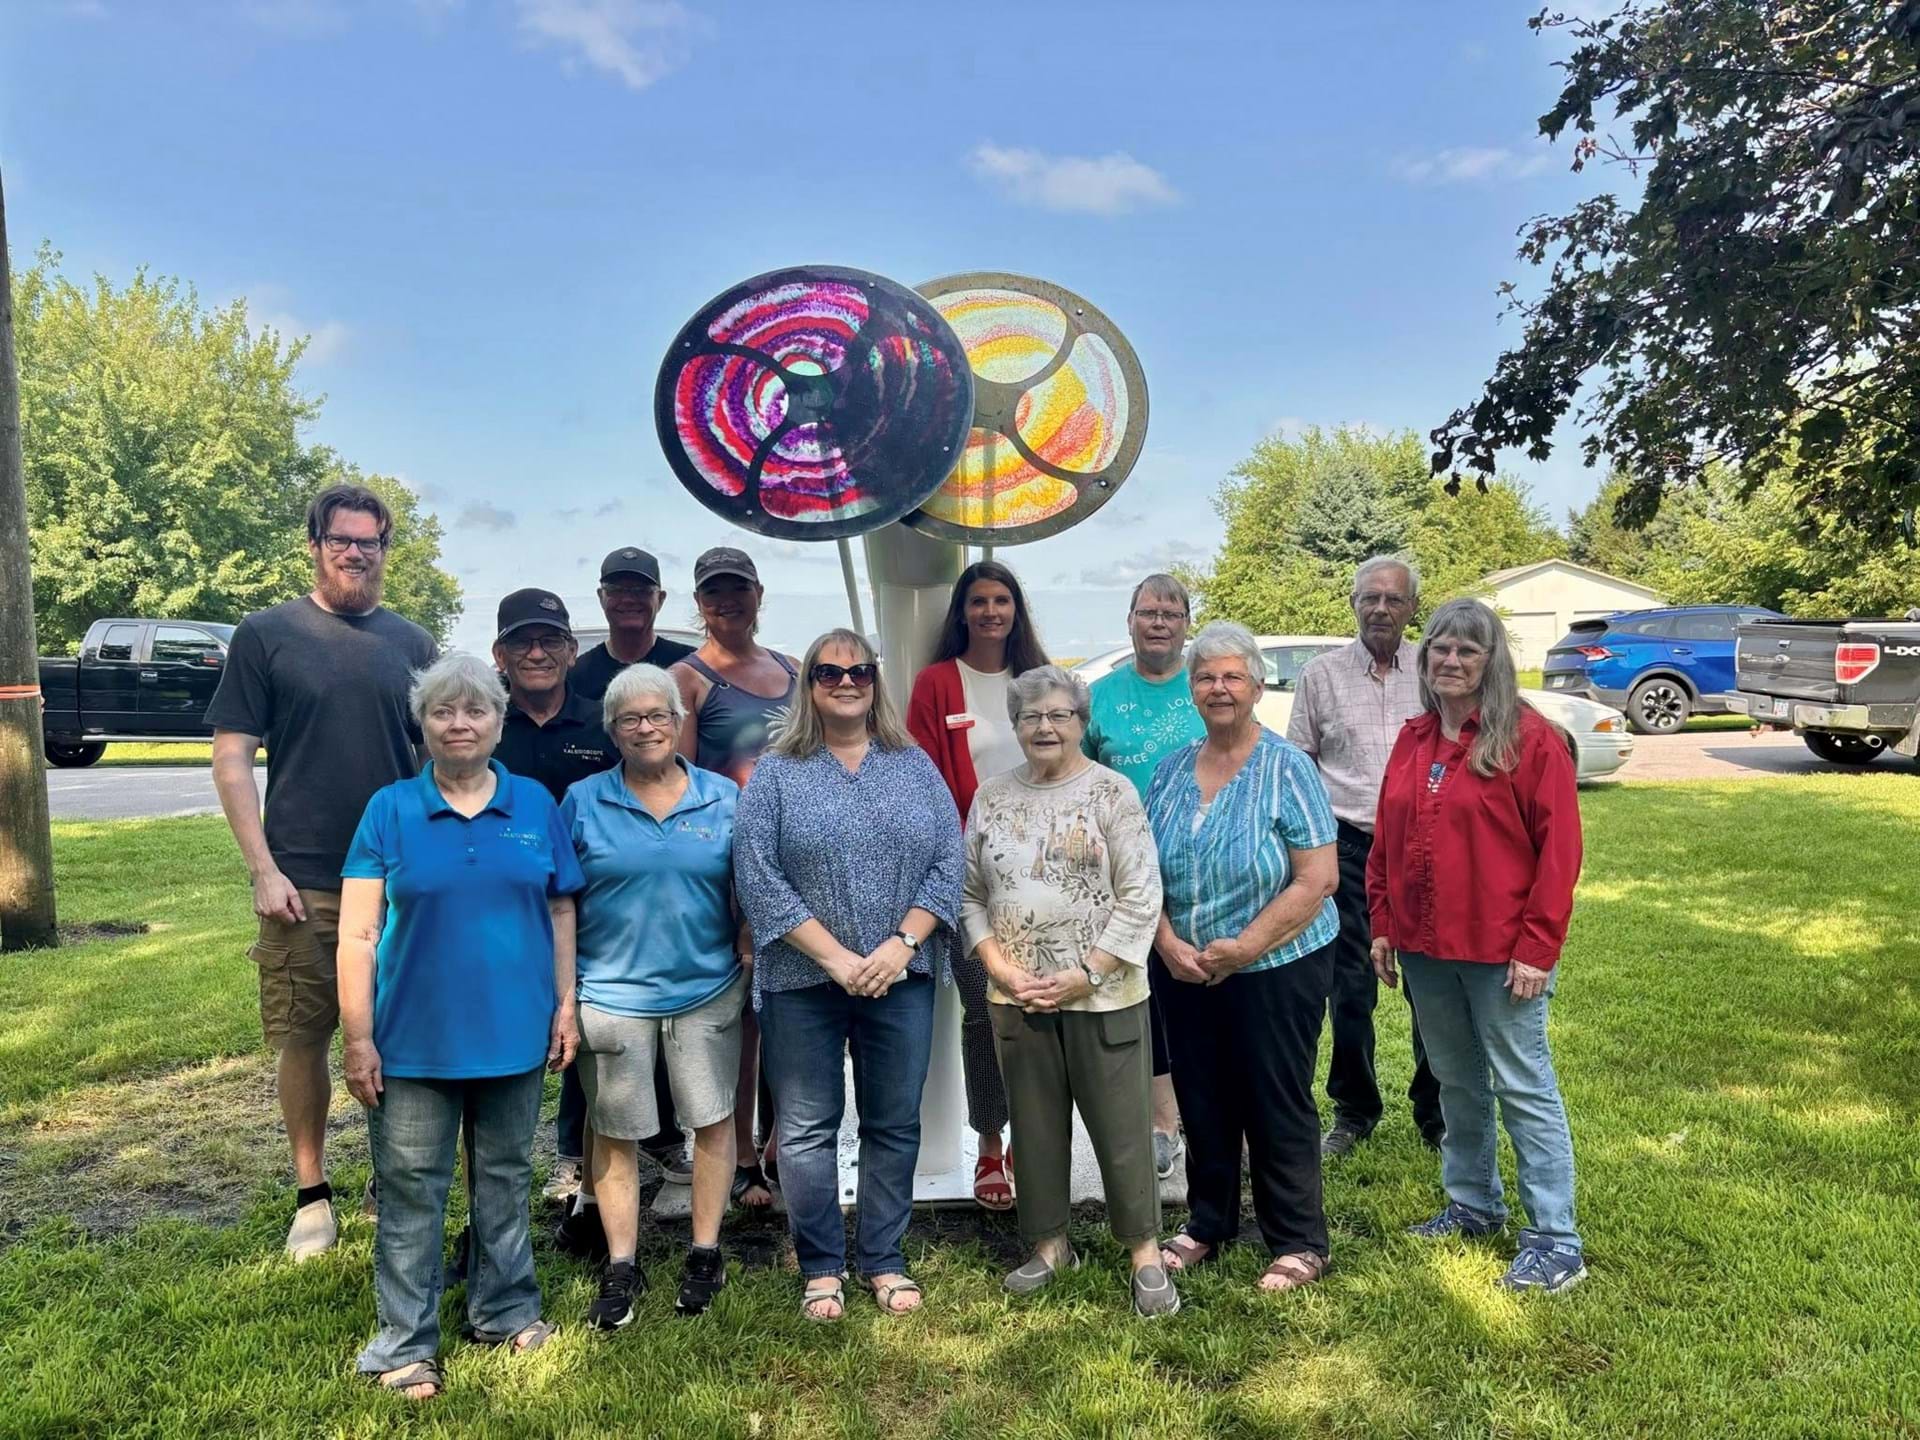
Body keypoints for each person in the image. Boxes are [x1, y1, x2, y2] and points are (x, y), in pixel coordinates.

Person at [337, 652, 583, 1400]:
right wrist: (358, 1036)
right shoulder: (389, 810)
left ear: (499, 724)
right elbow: (357, 933)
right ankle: (403, 1344)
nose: (459, 724)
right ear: (424, 725)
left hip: (515, 1035)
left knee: (505, 1179)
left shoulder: (534, 803)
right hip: (412, 1042)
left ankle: (505, 1312)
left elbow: (560, 907)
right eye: (442, 711)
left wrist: (565, 1004)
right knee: (412, 1192)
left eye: (475, 710)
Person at [207, 482, 436, 1261]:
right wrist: (261, 869)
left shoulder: (412, 644)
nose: (355, 553)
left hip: (396, 881)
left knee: (396, 1038)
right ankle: (312, 1195)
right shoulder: (265, 635)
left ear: (385, 550)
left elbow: (437, 759)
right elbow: (232, 757)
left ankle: (388, 1179)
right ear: (315, 544)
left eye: (369, 541)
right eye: (341, 539)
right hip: (302, 879)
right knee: (303, 1037)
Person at [734, 628, 965, 1322]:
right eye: (829, 672)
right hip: (801, 979)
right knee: (807, 1128)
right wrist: (834, 958)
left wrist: (900, 945)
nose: (845, 683)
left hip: (900, 976)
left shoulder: (913, 765)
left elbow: (949, 861)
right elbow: (757, 876)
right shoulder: (778, 772)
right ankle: (821, 1265)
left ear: (875, 682)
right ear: (808, 684)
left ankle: (883, 1257)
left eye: (859, 671)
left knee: (893, 1121)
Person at [1367, 598, 1588, 1293]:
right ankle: (1473, 1204)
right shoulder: (1414, 738)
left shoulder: (1529, 739)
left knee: (1523, 1085)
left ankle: (1555, 1239)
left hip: (1501, 952)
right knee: (1456, 1080)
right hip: (1426, 946)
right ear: (1424, 657)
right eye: (1440, 648)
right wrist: (1382, 921)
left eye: (1468, 650)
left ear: (1492, 661)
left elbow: (1560, 853)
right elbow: (1386, 837)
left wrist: (1538, 947)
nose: (1452, 660)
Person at [962, 665, 1178, 1317]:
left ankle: (1144, 1253)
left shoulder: (1112, 792)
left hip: (1104, 993)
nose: (1045, 727)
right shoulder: (992, 797)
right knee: (1032, 1127)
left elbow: (1141, 893)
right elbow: (970, 896)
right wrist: (1000, 969)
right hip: (1018, 996)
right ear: (1015, 726)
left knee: (1122, 1129)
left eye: (1059, 715)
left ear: (1082, 723)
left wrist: (1089, 972)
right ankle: (1050, 1244)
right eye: (1031, 716)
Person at [1145, 621, 1340, 1294]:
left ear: (1256, 687)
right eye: (1206, 677)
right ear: (1191, 689)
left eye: (1233, 676)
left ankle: (1299, 1239)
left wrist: (1249, 944)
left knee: (1274, 1095)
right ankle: (1209, 1221)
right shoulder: (1171, 770)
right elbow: (1142, 874)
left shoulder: (1288, 767)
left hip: (1276, 962)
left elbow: (1318, 878)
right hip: (1185, 965)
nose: (1219, 688)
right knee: (1201, 1094)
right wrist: (1166, 941)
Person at [488, 587, 688, 1209]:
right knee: (524, 1028)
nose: (538, 653)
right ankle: (518, 1156)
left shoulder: (603, 723)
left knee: (598, 1020)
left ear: (573, 651)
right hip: (504, 904)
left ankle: (609, 1147)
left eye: (551, 641)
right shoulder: (486, 724)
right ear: (499, 654)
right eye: (522, 642)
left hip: (594, 903)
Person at [563, 664, 745, 1327]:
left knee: (713, 1118)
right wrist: (565, 995)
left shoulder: (724, 797)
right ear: (612, 730)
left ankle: (705, 1251)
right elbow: (560, 902)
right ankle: (621, 1262)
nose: (646, 728)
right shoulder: (582, 800)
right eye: (630, 719)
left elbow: (749, 885)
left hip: (707, 988)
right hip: (611, 994)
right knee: (615, 1129)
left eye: (658, 715)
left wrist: (748, 946)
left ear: (679, 720)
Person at [1287, 555, 1444, 1159]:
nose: (1381, 609)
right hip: (1347, 847)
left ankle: (1436, 1113)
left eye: (1393, 599)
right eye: (1369, 598)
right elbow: (1301, 763)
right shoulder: (1320, 675)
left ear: (1411, 608)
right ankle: (1354, 1111)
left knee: (1431, 986)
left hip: (1423, 849)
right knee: (1349, 991)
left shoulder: (1433, 672)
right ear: (1353, 603)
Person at [904, 559, 1049, 1211]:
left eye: (1002, 600)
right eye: (979, 601)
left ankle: (1033, 1137)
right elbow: (924, 784)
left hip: (1046, 877)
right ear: (961, 611)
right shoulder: (938, 683)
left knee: (1042, 1008)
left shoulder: (1039, 680)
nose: (991, 611)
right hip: (972, 883)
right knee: (985, 1010)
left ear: (1017, 610)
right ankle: (990, 1141)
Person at [672, 546, 799, 1215]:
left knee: (793, 1009)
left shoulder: (796, 670)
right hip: (729, 867)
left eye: (738, 589)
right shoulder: (688, 679)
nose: (727, 602)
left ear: (758, 594)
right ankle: (742, 1153)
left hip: (800, 862)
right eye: (714, 593)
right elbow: (682, 786)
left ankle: (784, 1143)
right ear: (699, 603)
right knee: (741, 1018)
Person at [1081, 573, 1203, 1183]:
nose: (1159, 623)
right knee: (1145, 996)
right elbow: (1076, 778)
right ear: (1129, 621)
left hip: (1201, 869)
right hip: (1121, 877)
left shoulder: (1205, 685)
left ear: (1186, 624)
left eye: (1171, 613)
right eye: (1148, 612)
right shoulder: (1098, 697)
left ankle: (1213, 1116)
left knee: (1203, 991)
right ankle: (1161, 1123)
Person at [571, 547, 696, 704]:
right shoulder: (576, 676)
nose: (628, 599)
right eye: (615, 590)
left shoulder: (690, 665)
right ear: (601, 597)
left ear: (661, 599)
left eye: (641, 590)